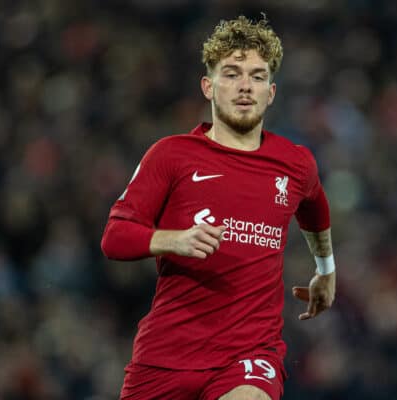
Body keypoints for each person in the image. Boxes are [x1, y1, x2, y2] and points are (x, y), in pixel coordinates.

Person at [101, 15, 336, 400]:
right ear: (208, 87)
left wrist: (326, 270)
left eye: (257, 76)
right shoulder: (172, 155)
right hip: (167, 355)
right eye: (231, 73)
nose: (245, 86)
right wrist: (172, 241)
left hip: (249, 355)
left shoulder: (295, 163)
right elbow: (114, 238)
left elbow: (314, 207)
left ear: (271, 92)